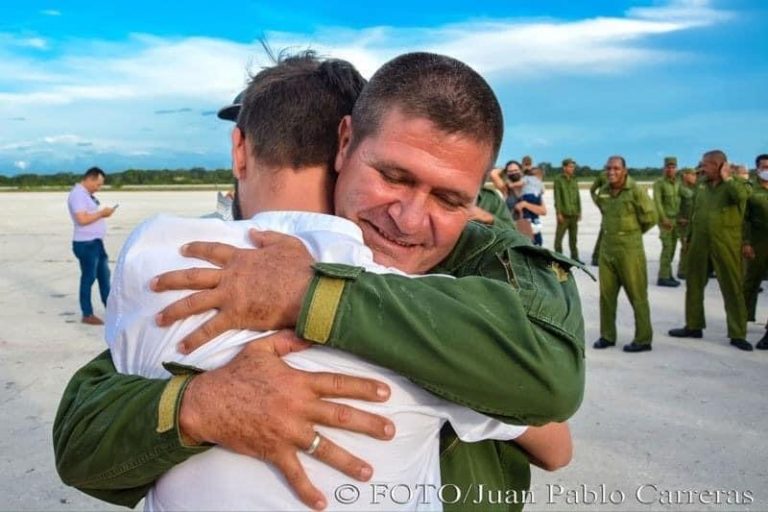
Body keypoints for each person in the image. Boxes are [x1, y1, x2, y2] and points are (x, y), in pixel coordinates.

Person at [54, 52, 585, 511]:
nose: (408, 219)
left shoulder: (480, 261)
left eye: (449, 199)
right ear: (344, 148)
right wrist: (202, 404)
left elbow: (552, 394)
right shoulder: (231, 265)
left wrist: (318, 296)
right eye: (392, 176)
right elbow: (85, 430)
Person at [668, 150, 752, 351]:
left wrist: (728, 178)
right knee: (694, 285)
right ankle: (693, 326)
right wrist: (688, 237)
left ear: (719, 165)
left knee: (732, 288)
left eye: (706, 164)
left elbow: (741, 197)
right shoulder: (702, 185)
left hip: (726, 244)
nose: (702, 168)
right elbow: (695, 212)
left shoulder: (738, 184)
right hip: (700, 244)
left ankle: (738, 333)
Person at [592, 156, 657, 353]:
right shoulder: (604, 191)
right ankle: (607, 335)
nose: (611, 172)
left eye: (616, 168)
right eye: (608, 168)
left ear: (625, 170)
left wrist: (632, 234)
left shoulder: (635, 190)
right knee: (606, 295)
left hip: (630, 250)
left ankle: (643, 339)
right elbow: (604, 209)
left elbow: (651, 217)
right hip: (607, 248)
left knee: (637, 294)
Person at [66, 166, 117, 325]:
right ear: (90, 179)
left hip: (95, 242)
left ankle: (112, 310)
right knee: (88, 278)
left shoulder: (86, 195)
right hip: (86, 244)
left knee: (104, 277)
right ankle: (87, 314)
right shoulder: (77, 195)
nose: (98, 188)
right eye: (98, 184)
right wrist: (102, 213)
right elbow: (82, 219)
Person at [743, 154, 768, 350]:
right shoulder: (750, 190)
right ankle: (741, 320)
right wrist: (745, 242)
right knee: (751, 282)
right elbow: (744, 219)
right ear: (757, 169)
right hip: (758, 242)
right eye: (764, 167)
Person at [653, 156, 682, 287]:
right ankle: (663, 277)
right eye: (668, 167)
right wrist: (663, 218)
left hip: (675, 220)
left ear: (676, 169)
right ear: (664, 168)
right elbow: (657, 202)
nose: (670, 169)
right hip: (665, 221)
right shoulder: (659, 183)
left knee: (673, 248)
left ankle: (668, 274)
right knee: (667, 247)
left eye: (673, 167)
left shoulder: (678, 183)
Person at [553, 158, 581, 261]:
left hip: (574, 214)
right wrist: (558, 213)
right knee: (559, 238)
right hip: (564, 215)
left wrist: (579, 211)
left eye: (573, 167)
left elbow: (577, 196)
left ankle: (575, 258)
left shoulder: (574, 179)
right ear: (564, 168)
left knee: (573, 238)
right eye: (570, 167)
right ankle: (558, 258)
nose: (572, 169)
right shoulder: (558, 180)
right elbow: (557, 197)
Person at [514, 166, 546, 246]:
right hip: (523, 229)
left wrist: (526, 205)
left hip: (533, 226)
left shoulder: (532, 191)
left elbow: (543, 211)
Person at [676, 167, 698, 279]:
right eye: (692, 175)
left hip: (694, 222)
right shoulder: (679, 188)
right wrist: (678, 218)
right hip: (684, 223)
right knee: (686, 246)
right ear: (685, 175)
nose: (695, 177)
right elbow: (674, 204)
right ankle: (682, 271)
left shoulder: (694, 188)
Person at [589, 171, 608, 266]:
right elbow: (592, 190)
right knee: (604, 231)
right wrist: (598, 202)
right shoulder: (603, 176)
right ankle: (596, 257)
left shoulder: (623, 175)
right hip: (606, 208)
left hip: (619, 208)